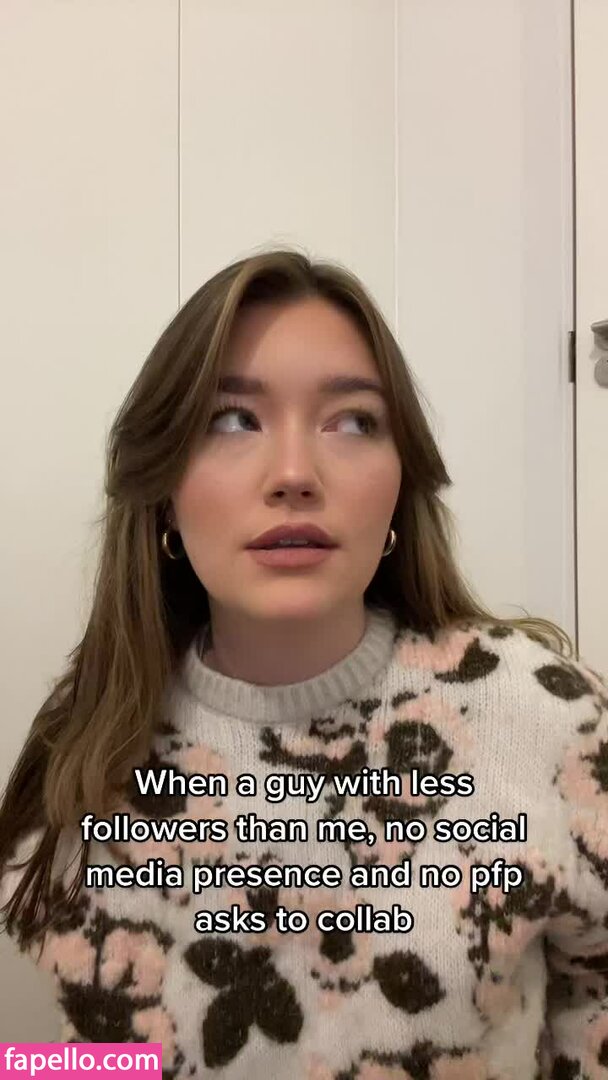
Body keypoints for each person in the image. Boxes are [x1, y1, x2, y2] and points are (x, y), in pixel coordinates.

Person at [1, 248, 607, 1079]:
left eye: (353, 422)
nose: (294, 475)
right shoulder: (88, 737)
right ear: (163, 493)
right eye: (232, 420)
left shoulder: (544, 718)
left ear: (400, 484)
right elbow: (79, 1057)